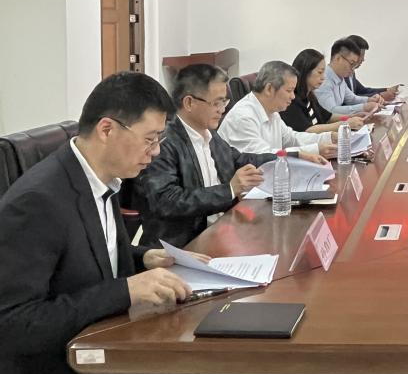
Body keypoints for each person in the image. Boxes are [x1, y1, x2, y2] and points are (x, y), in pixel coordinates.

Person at [0, 72, 232, 374]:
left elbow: (88, 256)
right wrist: (125, 290)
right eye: (150, 139)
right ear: (107, 129)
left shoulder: (103, 177)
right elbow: (14, 323)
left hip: (101, 347)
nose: (156, 151)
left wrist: (144, 258)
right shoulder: (37, 202)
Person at [135, 64, 289, 248]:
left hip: (220, 231)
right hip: (181, 247)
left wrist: (289, 157)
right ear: (189, 103)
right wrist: (229, 190)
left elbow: (239, 160)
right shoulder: (164, 142)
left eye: (224, 102)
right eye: (216, 103)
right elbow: (166, 201)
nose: (222, 109)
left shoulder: (208, 133)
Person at [219, 60, 337, 159]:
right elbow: (262, 156)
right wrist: (315, 150)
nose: (293, 96)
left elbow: (291, 139)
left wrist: (328, 137)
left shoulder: (271, 111)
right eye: (289, 90)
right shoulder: (243, 117)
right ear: (269, 89)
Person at [280, 48, 366, 135]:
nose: (323, 77)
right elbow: (308, 130)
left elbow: (328, 117)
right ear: (306, 71)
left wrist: (352, 117)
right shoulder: (292, 100)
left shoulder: (310, 96)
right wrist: (346, 124)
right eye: (320, 72)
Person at [314, 37, 383, 116]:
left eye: (355, 65)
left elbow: (351, 99)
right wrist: (363, 107)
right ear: (338, 58)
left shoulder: (339, 78)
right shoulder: (323, 79)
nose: (353, 68)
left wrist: (370, 100)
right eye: (351, 63)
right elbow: (331, 111)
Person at [346, 35, 401, 101]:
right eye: (361, 55)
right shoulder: (340, 74)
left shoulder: (351, 72)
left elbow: (362, 90)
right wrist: (379, 96)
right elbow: (348, 99)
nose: (363, 59)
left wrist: (387, 90)